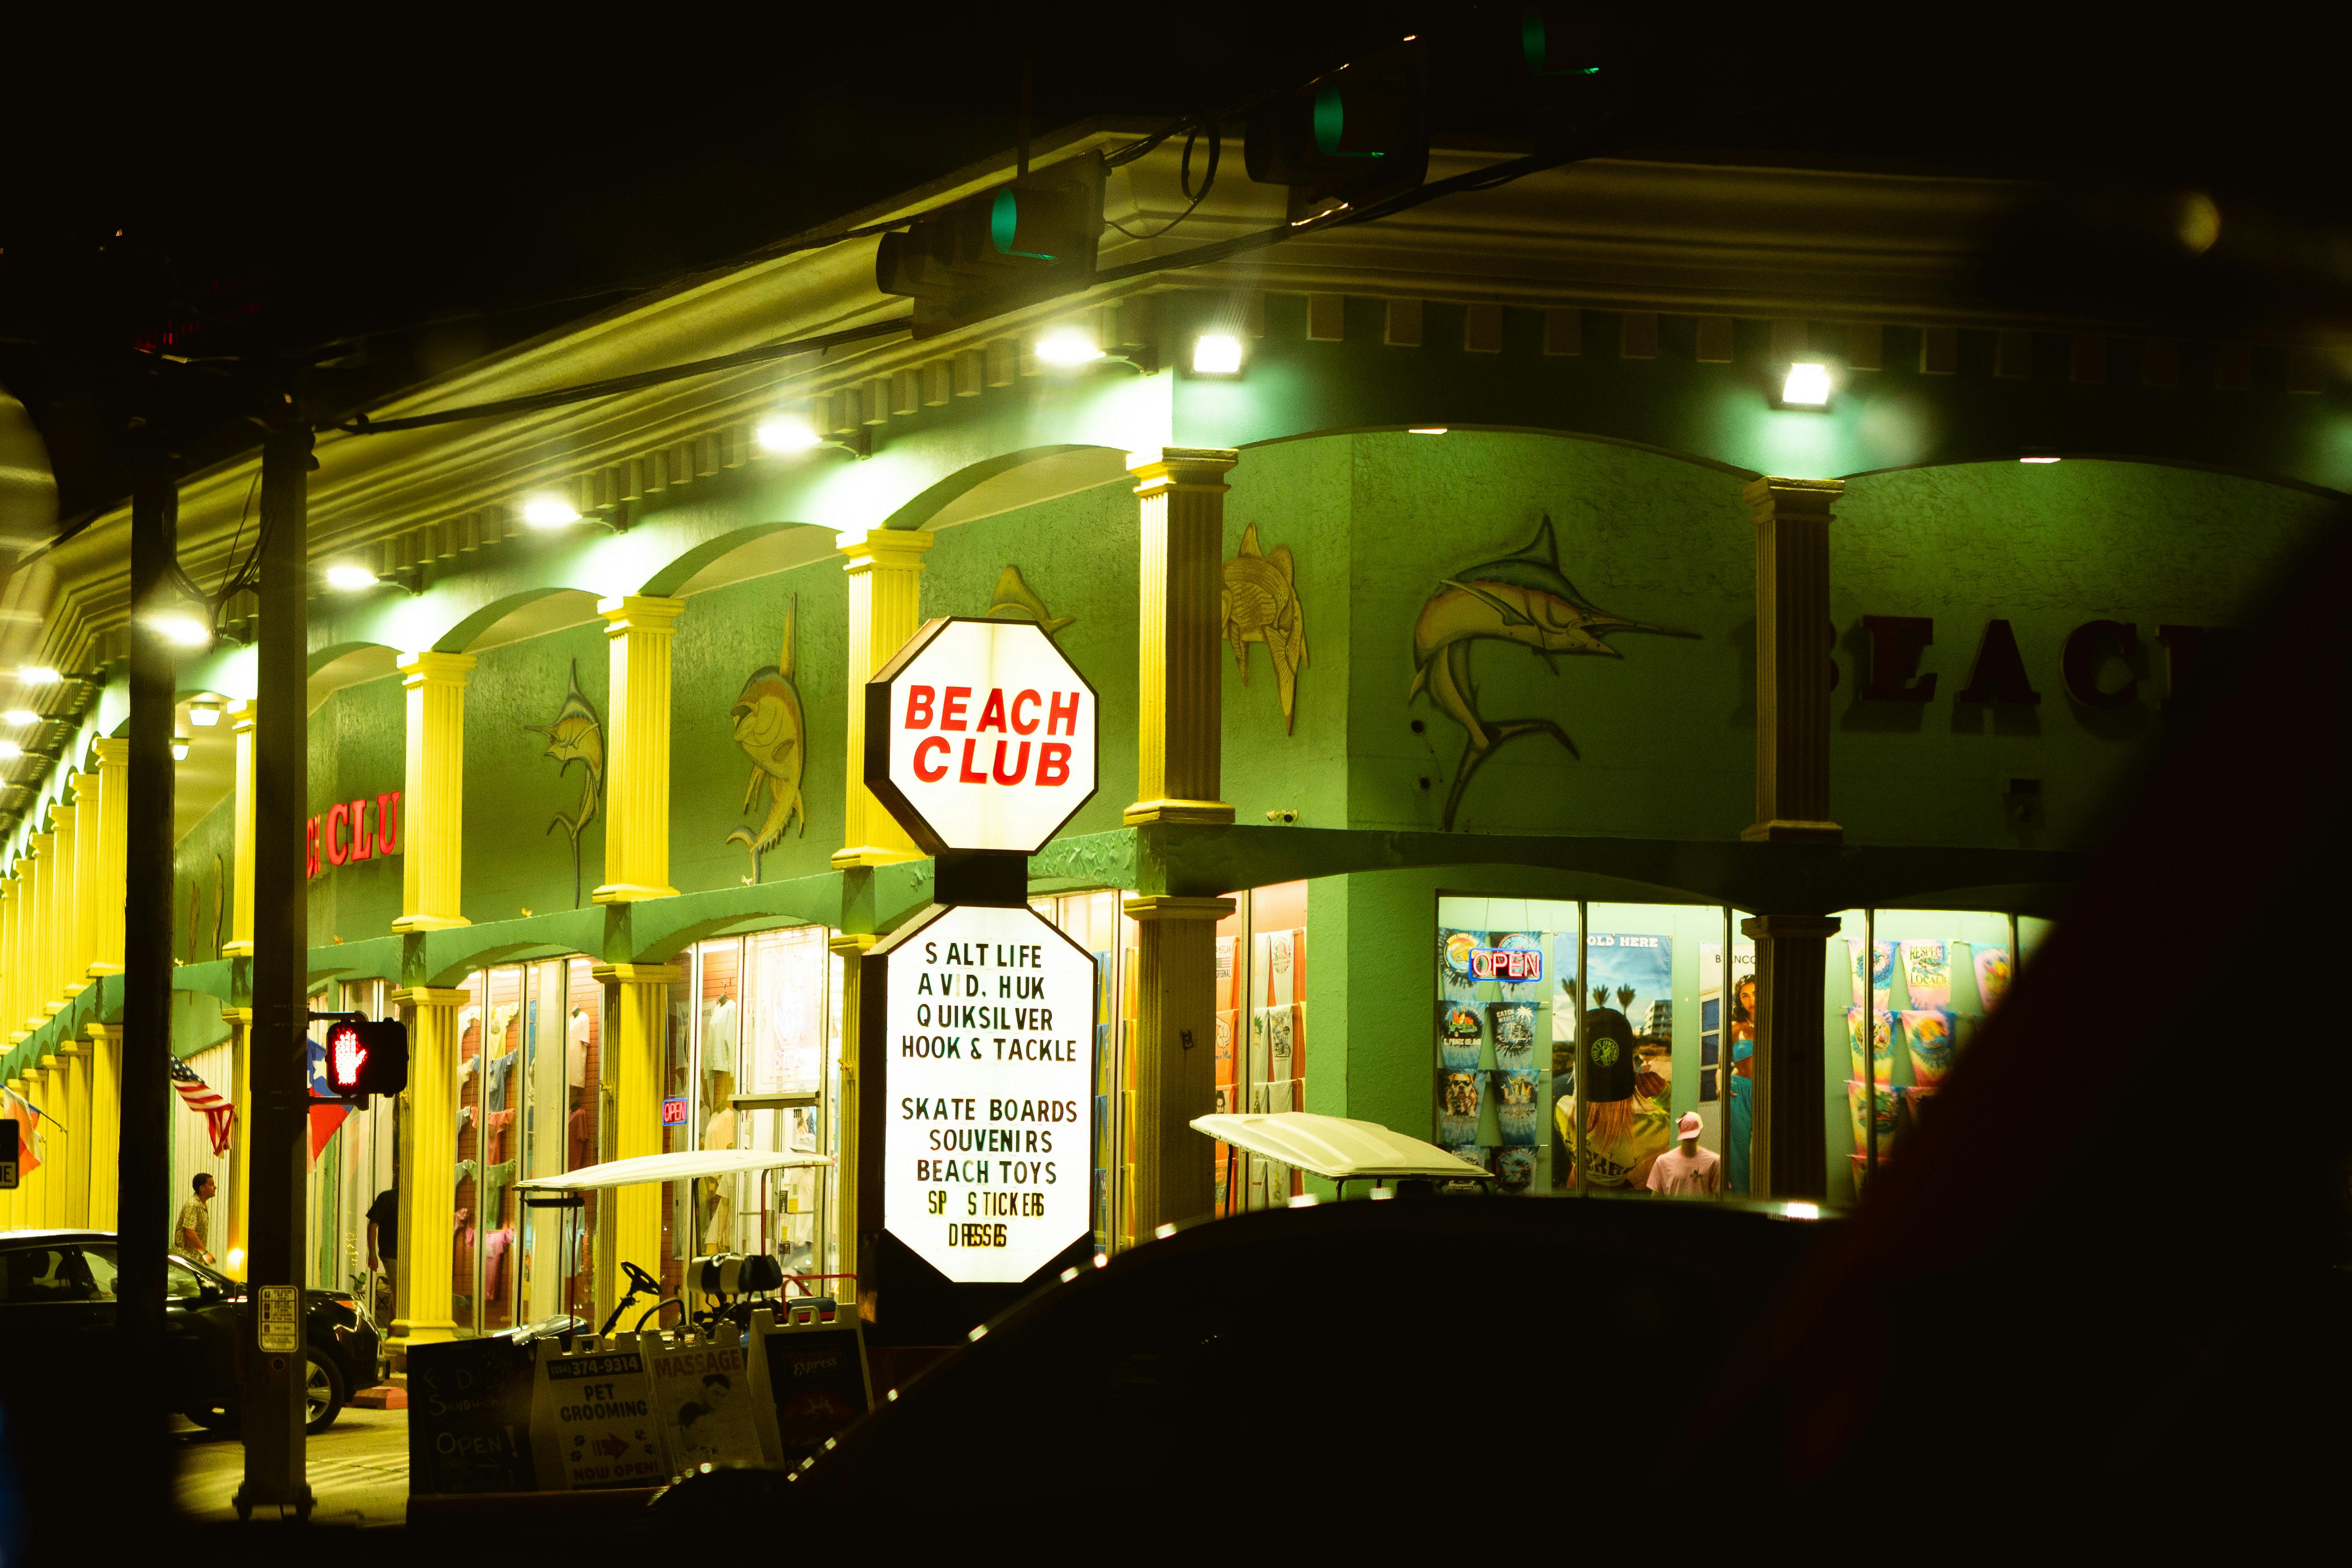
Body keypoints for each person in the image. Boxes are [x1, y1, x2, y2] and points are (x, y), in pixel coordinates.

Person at [1646, 1112, 1722, 1196]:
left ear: (1700, 1131)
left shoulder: (1714, 1161)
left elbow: (1719, 1197)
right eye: (1688, 1135)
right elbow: (1656, 1198)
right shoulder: (1663, 1162)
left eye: (1693, 1135)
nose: (1690, 1139)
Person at [177, 1173, 216, 1264]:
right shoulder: (193, 1205)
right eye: (211, 1184)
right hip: (185, 1259)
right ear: (202, 1188)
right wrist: (204, 1253)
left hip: (194, 1259)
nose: (215, 1187)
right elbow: (189, 1231)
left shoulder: (202, 1204)